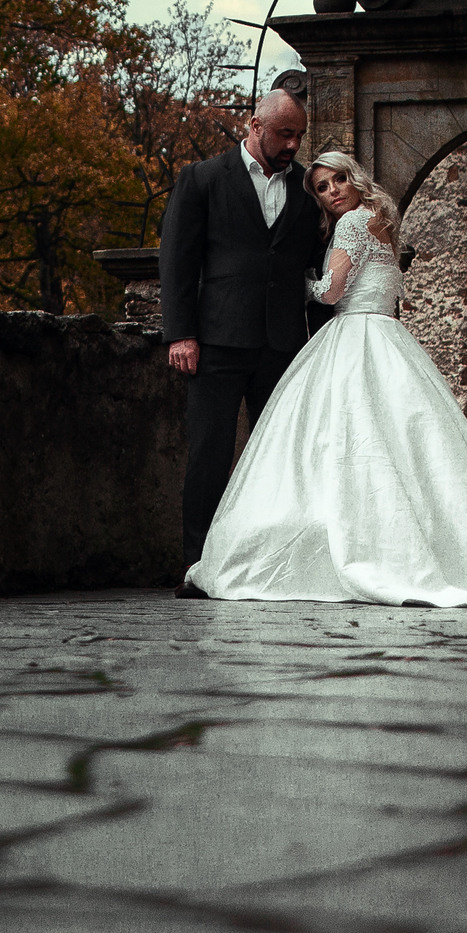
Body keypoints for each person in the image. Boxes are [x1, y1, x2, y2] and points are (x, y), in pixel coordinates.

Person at [183, 148, 467, 611]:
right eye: (321, 187)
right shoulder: (382, 224)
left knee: (343, 443)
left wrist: (299, 280)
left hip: (355, 336)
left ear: (354, 178)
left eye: (338, 179)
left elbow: (332, 291)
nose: (332, 191)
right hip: (389, 335)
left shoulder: (352, 224)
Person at [159, 86, 319, 597]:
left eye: (299, 135)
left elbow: (317, 263)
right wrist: (180, 333)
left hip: (283, 344)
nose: (293, 144)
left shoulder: (306, 190)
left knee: (278, 459)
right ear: (255, 125)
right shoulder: (203, 179)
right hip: (217, 342)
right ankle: (197, 567)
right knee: (209, 453)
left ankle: (270, 566)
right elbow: (177, 261)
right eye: (284, 133)